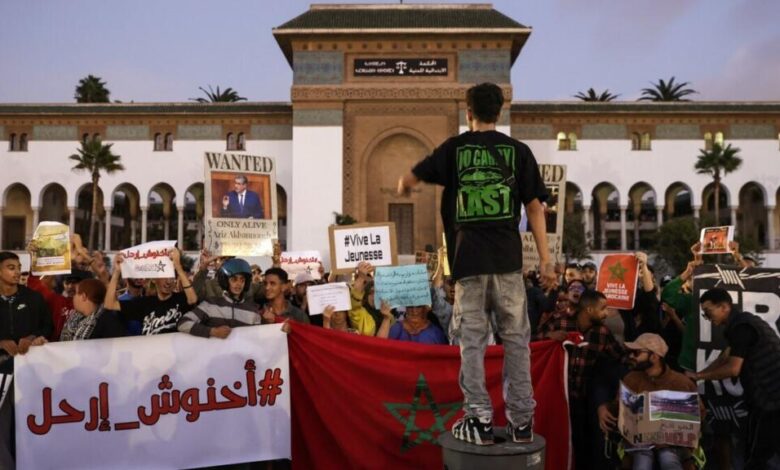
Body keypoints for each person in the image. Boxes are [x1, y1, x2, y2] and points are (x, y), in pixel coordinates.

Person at [398, 82, 555, 445]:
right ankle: (521, 422)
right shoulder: (519, 151)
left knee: (471, 343)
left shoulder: (454, 149)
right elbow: (535, 208)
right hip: (508, 264)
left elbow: (412, 176)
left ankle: (479, 419)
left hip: (469, 263)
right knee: (516, 342)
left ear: (467, 112)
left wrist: (405, 183)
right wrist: (546, 260)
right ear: (500, 111)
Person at [690, 288, 780, 469]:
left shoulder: (741, 328)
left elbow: (733, 369)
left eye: (708, 311)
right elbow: (725, 357)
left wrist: (699, 376)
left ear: (724, 307)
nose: (707, 317)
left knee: (756, 457)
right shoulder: (743, 322)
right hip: (769, 399)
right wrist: (698, 376)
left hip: (770, 399)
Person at [603, 334, 700, 470]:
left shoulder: (682, 383)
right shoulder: (631, 379)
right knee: (642, 461)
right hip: (639, 443)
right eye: (631, 352)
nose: (631, 356)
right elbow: (618, 406)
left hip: (672, 445)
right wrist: (603, 408)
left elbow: (699, 415)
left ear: (654, 357)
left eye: (636, 352)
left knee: (668, 459)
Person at [0, 251, 52, 469]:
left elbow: (48, 326)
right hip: (2, 373)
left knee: (28, 421)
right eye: (11, 267)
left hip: (30, 372)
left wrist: (32, 338)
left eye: (18, 267)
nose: (16, 272)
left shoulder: (33, 298)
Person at [105, 248, 198, 335]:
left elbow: (193, 300)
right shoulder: (144, 304)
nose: (168, 281)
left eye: (172, 277)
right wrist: (116, 272)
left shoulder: (181, 299)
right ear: (154, 279)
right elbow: (109, 304)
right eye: (164, 276)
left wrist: (178, 267)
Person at [178, 258, 261, 338]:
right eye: (234, 279)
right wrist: (212, 331)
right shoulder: (210, 304)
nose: (238, 284)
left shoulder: (253, 311)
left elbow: (257, 339)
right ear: (226, 281)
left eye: (242, 280)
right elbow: (183, 323)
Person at [60, 279, 125, 341]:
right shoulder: (76, 317)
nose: (73, 297)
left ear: (83, 296)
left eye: (75, 294)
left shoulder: (108, 322)